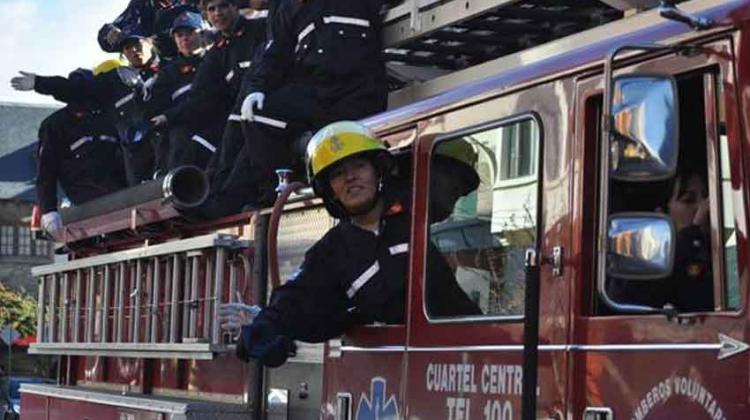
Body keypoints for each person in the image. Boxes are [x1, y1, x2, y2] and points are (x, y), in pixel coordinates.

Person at [219, 121, 479, 367]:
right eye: (339, 174)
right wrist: (265, 329)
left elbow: (450, 180)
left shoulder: (416, 214)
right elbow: (297, 298)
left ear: (378, 171)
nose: (351, 178)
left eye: (359, 166)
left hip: (472, 343)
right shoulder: (332, 252)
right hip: (415, 367)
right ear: (329, 189)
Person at [223, 0, 389, 212]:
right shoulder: (289, 6)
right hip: (317, 91)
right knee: (257, 115)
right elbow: (275, 52)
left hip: (358, 89)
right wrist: (257, 88)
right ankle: (275, 194)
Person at [10, 30, 162, 185]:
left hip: (167, 143)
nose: (133, 51)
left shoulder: (170, 70)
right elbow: (75, 89)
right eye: (127, 48)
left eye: (137, 45)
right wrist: (40, 82)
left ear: (149, 43)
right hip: (135, 153)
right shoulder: (114, 80)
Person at [36, 69, 126, 240]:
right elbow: (45, 171)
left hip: (118, 193)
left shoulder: (108, 119)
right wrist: (48, 210)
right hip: (82, 195)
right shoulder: (55, 125)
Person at [144, 11, 223, 170]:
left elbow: (211, 98)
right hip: (182, 129)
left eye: (190, 33)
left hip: (216, 122)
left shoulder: (218, 58)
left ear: (202, 34)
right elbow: (155, 108)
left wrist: (169, 116)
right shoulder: (168, 73)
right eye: (179, 35)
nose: (185, 38)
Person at [98, 0, 201, 59]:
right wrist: (110, 33)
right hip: (168, 62)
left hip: (203, 52)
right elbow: (109, 37)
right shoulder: (141, 5)